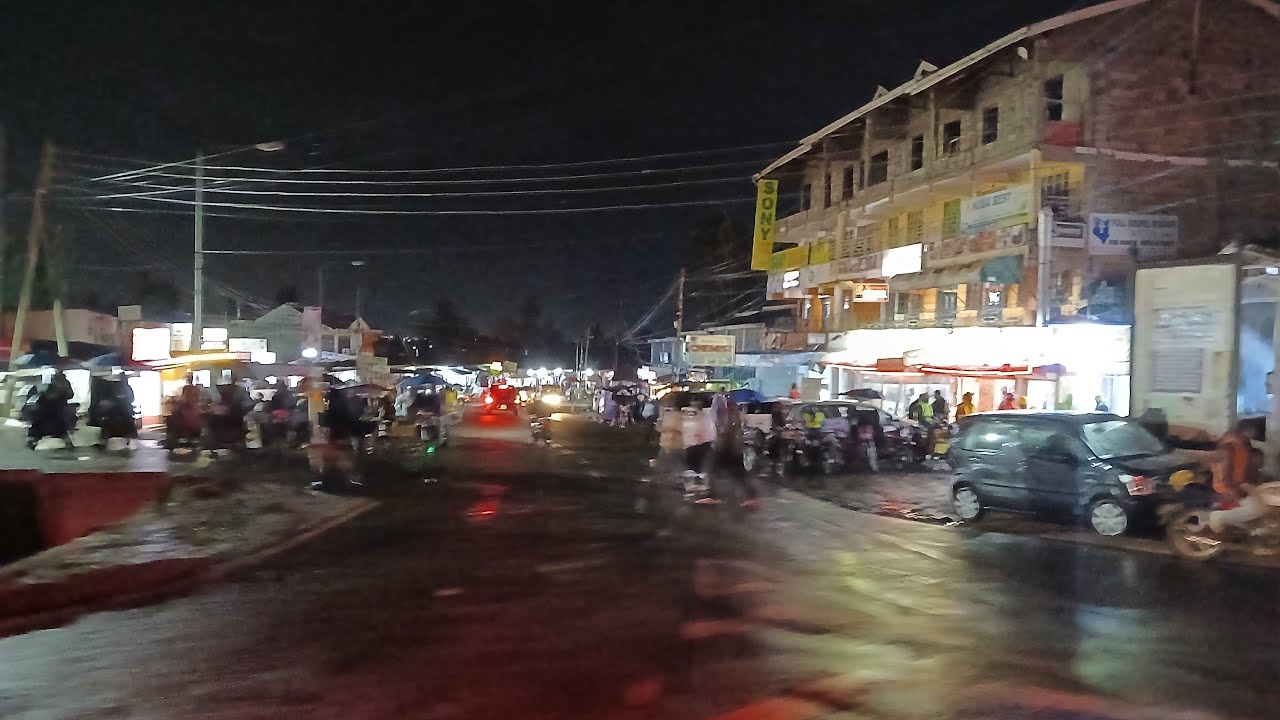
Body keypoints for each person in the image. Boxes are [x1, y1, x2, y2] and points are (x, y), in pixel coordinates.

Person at [1208, 420, 1266, 535]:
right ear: (1248, 430)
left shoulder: (1241, 442)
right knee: (1257, 509)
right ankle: (1219, 517)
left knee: (1261, 503)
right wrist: (1234, 489)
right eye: (1254, 432)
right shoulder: (1230, 445)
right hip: (1229, 485)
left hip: (1238, 483)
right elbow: (1226, 472)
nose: (1254, 436)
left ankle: (1249, 530)